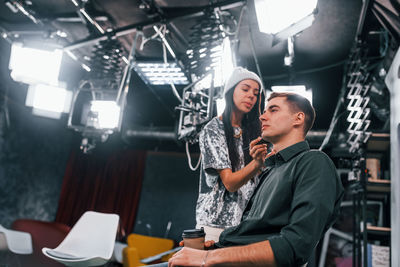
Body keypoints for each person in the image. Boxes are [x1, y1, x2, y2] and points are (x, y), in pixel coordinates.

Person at [169, 92, 344, 267]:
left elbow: (295, 246)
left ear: (298, 118)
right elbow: (249, 236)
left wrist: (208, 258)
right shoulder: (269, 171)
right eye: (265, 110)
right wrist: (212, 250)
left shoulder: (314, 162)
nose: (262, 116)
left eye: (273, 110)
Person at [196, 67, 268, 242]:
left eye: (256, 93)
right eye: (245, 89)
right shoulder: (214, 129)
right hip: (215, 225)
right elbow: (230, 183)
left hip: (244, 226)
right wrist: (256, 164)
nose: (251, 95)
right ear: (230, 91)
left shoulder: (255, 133)